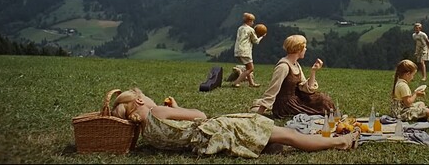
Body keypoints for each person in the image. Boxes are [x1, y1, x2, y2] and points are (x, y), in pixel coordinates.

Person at [110, 88, 359, 158]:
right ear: (141, 100)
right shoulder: (157, 112)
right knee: (288, 134)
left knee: (279, 137)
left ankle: (268, 143)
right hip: (221, 129)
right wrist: (174, 109)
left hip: (210, 142)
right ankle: (340, 143)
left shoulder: (146, 134)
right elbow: (200, 115)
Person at [251, 35, 334, 118]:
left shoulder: (296, 64)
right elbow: (273, 89)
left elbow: (305, 88)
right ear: (298, 49)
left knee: (323, 99)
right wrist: (259, 113)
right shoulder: (283, 67)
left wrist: (313, 71)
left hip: (296, 100)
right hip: (286, 105)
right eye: (304, 47)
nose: (306, 49)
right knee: (321, 107)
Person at [231, 13, 264, 88]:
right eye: (252, 21)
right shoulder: (250, 30)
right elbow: (256, 41)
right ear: (249, 21)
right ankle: (236, 82)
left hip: (237, 50)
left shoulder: (240, 28)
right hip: (245, 51)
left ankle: (251, 83)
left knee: (247, 68)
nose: (253, 23)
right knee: (251, 68)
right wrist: (261, 36)